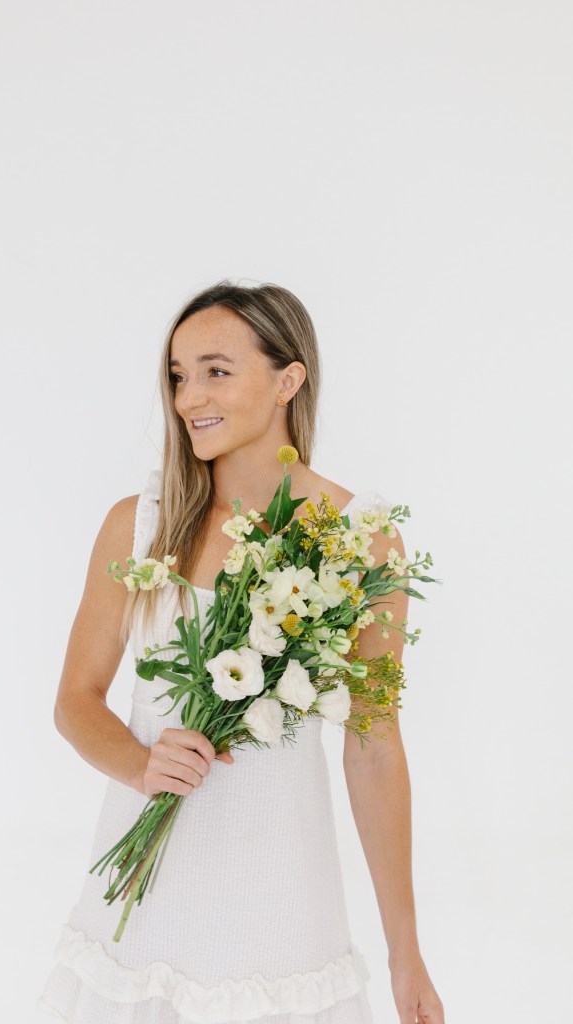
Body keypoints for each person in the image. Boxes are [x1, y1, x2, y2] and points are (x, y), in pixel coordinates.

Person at [36, 281, 445, 1024]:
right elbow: (74, 701)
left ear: (289, 380)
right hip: (141, 914)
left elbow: (374, 743)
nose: (189, 397)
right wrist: (141, 763)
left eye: (215, 371)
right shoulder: (141, 525)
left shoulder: (362, 540)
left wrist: (405, 951)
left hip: (282, 906)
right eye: (178, 375)